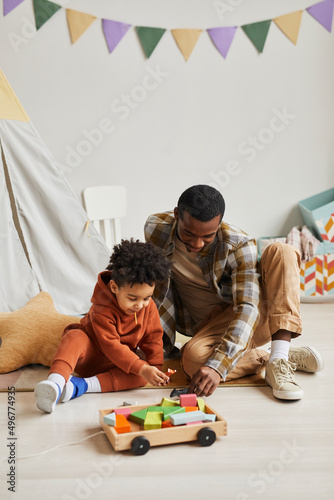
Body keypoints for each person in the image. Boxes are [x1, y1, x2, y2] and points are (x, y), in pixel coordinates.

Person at [144, 184, 324, 400]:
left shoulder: (238, 244)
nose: (196, 243)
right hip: (210, 326)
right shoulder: (155, 229)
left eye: (207, 236)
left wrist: (219, 368)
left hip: (254, 316)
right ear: (176, 215)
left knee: (282, 251)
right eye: (189, 234)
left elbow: (247, 308)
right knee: (192, 362)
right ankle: (273, 355)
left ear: (219, 225)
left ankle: (279, 358)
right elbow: (154, 285)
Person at [35, 239, 171, 413]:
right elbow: (111, 346)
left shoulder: (148, 307)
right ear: (114, 287)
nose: (140, 305)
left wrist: (154, 368)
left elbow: (153, 338)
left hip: (117, 364)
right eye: (132, 298)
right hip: (89, 356)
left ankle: (80, 386)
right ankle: (55, 383)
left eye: (146, 298)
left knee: (141, 377)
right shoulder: (102, 308)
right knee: (74, 337)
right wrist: (142, 368)